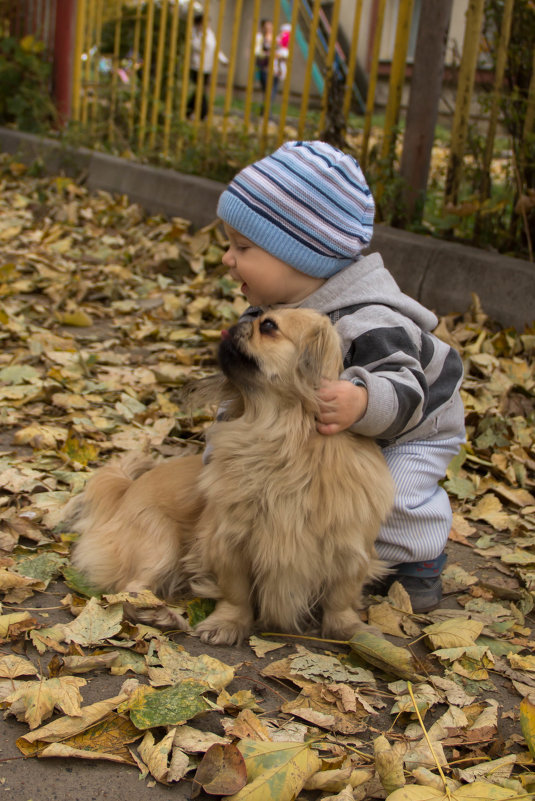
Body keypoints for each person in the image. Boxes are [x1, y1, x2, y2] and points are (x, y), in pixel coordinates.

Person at [215, 140, 466, 613]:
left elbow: (405, 387)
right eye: (229, 244)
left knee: (390, 495)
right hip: (344, 422)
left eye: (242, 247)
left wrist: (362, 402)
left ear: (303, 256)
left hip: (414, 426)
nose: (229, 258)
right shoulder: (272, 312)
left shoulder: (370, 320)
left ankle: (416, 564)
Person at [187, 12, 228, 120]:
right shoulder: (194, 33)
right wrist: (202, 37)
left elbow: (215, 49)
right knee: (200, 90)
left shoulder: (210, 34)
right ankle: (203, 113)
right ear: (199, 23)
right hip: (196, 67)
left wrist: (223, 60)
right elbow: (196, 48)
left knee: (200, 90)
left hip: (207, 67)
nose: (207, 25)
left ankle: (188, 110)